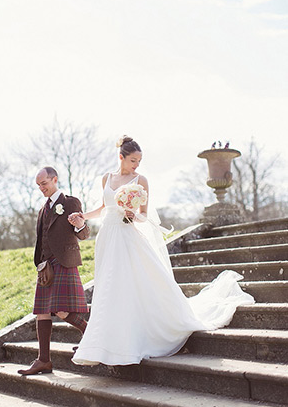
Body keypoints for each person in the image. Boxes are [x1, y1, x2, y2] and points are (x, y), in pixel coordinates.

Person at [68, 136, 255, 367]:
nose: (137, 164)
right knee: (108, 286)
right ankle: (105, 343)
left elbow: (144, 215)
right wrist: (82, 216)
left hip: (128, 236)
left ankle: (135, 339)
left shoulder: (141, 180)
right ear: (121, 157)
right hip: (108, 237)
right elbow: (104, 208)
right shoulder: (106, 178)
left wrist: (133, 214)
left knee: (133, 284)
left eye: (139, 160)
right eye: (133, 160)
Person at [18, 166, 90, 375]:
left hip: (64, 261)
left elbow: (84, 234)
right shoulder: (42, 209)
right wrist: (39, 262)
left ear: (55, 179)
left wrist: (79, 225)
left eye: (44, 183)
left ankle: (90, 333)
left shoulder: (70, 202)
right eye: (39, 185)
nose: (41, 188)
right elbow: (42, 239)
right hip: (46, 266)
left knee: (60, 310)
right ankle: (43, 361)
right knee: (41, 312)